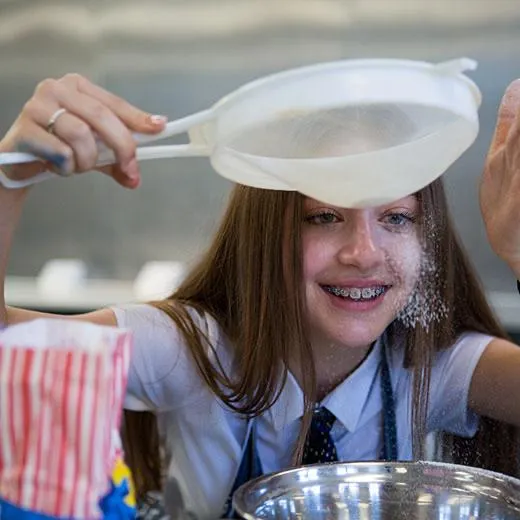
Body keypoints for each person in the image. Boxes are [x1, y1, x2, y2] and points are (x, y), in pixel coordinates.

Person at [0, 74, 520, 520]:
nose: (364, 252)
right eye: (324, 216)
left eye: (397, 218)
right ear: (267, 235)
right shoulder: (192, 350)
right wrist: (8, 179)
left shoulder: (436, 368)